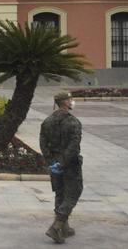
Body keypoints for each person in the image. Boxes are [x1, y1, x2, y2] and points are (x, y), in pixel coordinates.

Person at [39, 91, 82, 244]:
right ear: (65, 102)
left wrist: (51, 162)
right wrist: (62, 163)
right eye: (70, 99)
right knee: (73, 193)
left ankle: (65, 227)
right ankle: (56, 226)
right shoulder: (73, 122)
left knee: (60, 192)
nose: (72, 101)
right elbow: (74, 147)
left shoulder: (47, 121)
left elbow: (43, 143)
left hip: (54, 162)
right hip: (69, 164)